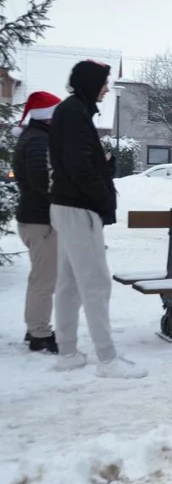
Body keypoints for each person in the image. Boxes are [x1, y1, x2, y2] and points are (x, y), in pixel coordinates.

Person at [50, 61, 146, 378]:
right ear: (91, 84)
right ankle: (107, 359)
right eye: (104, 83)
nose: (107, 88)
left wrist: (101, 167)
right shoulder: (76, 113)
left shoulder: (72, 111)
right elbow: (78, 167)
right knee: (95, 283)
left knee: (70, 283)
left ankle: (67, 353)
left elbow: (77, 161)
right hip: (79, 209)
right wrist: (101, 194)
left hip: (67, 206)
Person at [12, 91, 62, 354]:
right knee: (44, 280)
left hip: (36, 218)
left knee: (42, 278)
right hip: (41, 220)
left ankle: (35, 326)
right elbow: (41, 178)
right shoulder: (38, 141)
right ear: (49, 116)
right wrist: (62, 199)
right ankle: (39, 334)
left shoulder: (36, 137)